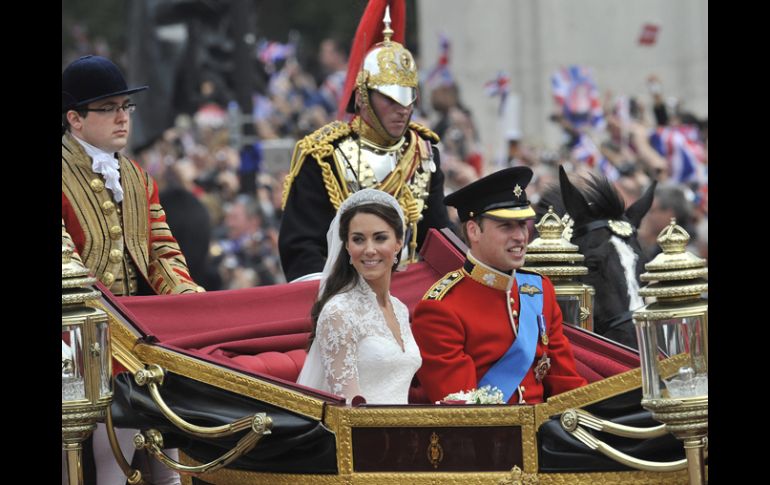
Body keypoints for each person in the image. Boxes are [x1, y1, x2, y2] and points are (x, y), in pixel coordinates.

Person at [62, 55, 198, 484]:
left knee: (168, 453)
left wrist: (188, 306)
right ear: (75, 119)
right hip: (75, 338)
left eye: (126, 107)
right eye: (109, 108)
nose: (123, 118)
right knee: (102, 456)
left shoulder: (137, 177)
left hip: (139, 337)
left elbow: (162, 252)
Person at [279, 0, 449, 282]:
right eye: (390, 98)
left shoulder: (423, 152)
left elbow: (437, 235)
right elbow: (302, 249)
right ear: (362, 97)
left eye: (408, 98)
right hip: (340, 293)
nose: (402, 109)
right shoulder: (324, 155)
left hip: (411, 293)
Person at [411, 167, 587, 405]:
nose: (521, 237)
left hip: (548, 434)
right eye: (506, 226)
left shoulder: (539, 289)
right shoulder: (441, 308)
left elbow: (566, 385)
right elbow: (460, 412)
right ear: (474, 231)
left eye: (523, 225)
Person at [296, 189, 422, 404]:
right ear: (347, 247)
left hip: (404, 430)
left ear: (399, 243)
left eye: (380, 238)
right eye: (358, 239)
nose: (370, 249)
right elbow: (347, 408)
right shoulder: (339, 312)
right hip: (361, 434)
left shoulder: (399, 308)